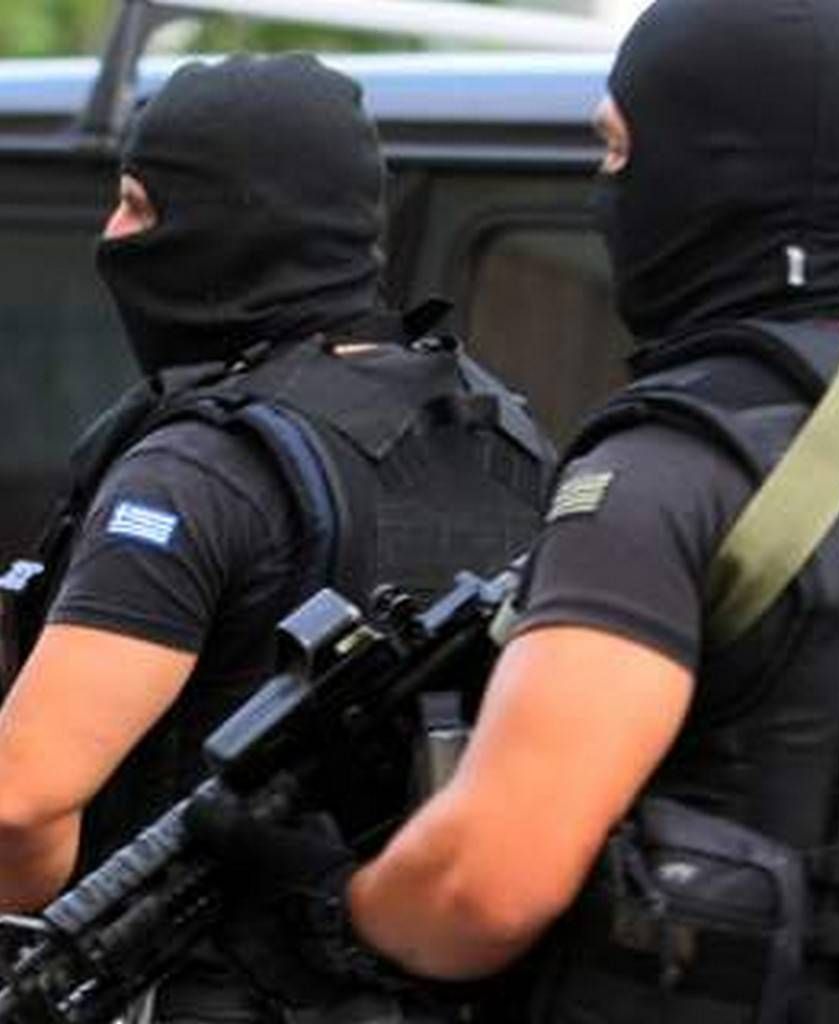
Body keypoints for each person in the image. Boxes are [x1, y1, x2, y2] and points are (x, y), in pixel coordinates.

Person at [190, 2, 839, 1022]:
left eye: (618, 147)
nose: (605, 186)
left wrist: (331, 902)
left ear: (711, 166)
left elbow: (484, 886)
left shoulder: (669, 468)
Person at [0, 53, 552, 1023]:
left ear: (231, 221)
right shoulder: (505, 437)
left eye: (137, 203)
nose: (114, 234)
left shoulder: (201, 467)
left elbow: (21, 802)